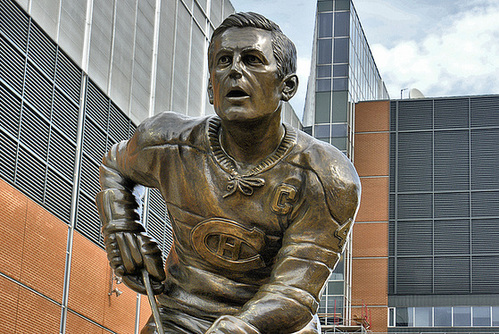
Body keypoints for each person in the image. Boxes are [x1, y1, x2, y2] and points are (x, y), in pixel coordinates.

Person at [96, 12, 360, 334]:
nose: (235, 70)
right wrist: (122, 230)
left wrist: (241, 327)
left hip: (275, 324)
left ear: (286, 86)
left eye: (252, 60)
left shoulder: (326, 177)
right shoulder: (166, 142)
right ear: (211, 89)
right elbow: (114, 166)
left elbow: (296, 291)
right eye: (224, 61)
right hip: (182, 312)